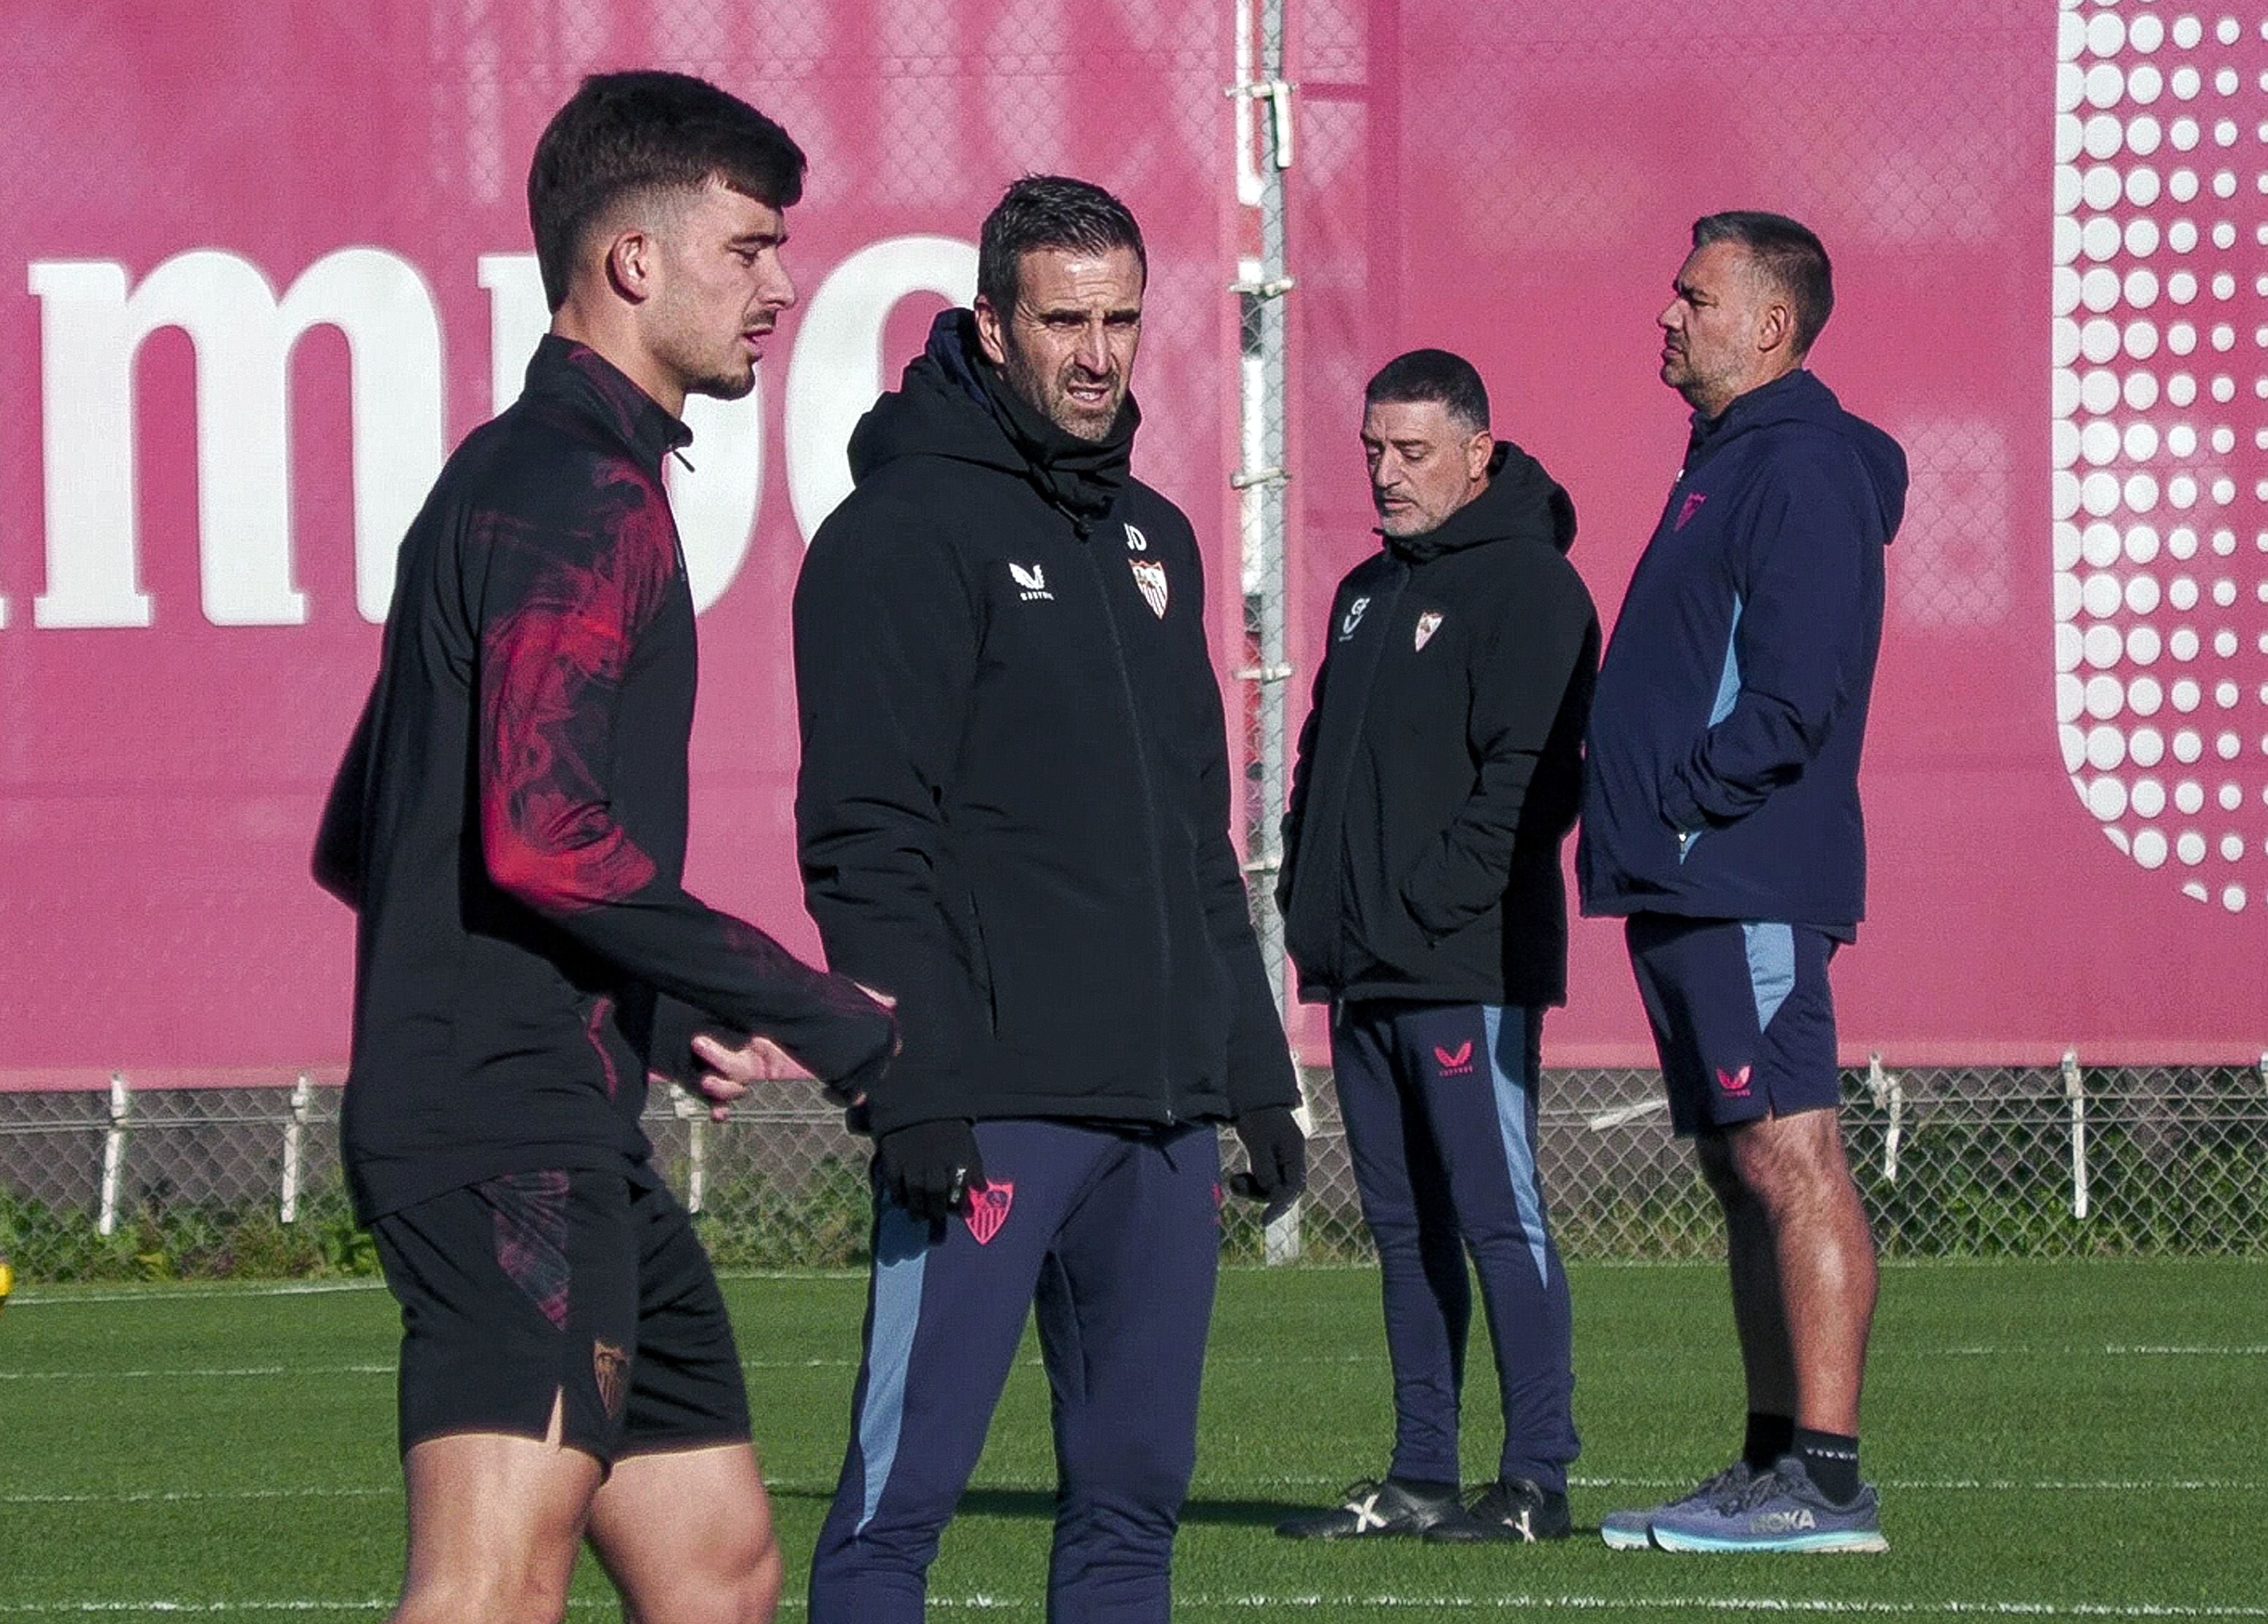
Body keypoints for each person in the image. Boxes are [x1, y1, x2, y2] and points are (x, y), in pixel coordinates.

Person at [312, 72, 897, 1624]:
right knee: (491, 1587)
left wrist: (652, 996)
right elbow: (543, 831)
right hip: (503, 1138)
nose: (778, 288)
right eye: (748, 248)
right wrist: (824, 1013)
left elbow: (366, 825)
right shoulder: (575, 492)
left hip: (565, 1129)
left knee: (719, 1564)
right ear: (633, 261)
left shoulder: (536, 474)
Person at [792, 175, 1305, 1623]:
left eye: (1120, 320)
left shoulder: (1154, 537)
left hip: (1156, 1120)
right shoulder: (901, 532)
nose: (1096, 352)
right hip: (990, 1102)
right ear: (992, 326)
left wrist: (1248, 1077)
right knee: (896, 1512)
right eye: (1063, 319)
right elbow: (862, 839)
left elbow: (1193, 839)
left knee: (1132, 1514)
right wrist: (917, 1082)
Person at [1577, 210, 1905, 1553]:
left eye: (1695, 295)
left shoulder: (1800, 467)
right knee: (1740, 1166)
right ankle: (1772, 1462)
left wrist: (1685, 806)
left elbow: (1795, 694)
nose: (1668, 312)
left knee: (1791, 1152)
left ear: (1768, 325)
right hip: (1688, 877)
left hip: (1738, 873)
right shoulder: (1731, 460)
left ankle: (1825, 1484)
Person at [1271, 350, 1598, 1544]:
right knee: (1402, 1227)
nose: (1386, 473)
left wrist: (1430, 904)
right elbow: (1315, 761)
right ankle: (1420, 1474)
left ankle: (1535, 1480)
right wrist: (1318, 905)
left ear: (1477, 450)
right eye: (1372, 450)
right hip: (1360, 970)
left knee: (1495, 1214)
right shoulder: (1365, 591)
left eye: (1411, 452)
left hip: (1466, 968)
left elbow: (1532, 781)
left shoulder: (1534, 589)